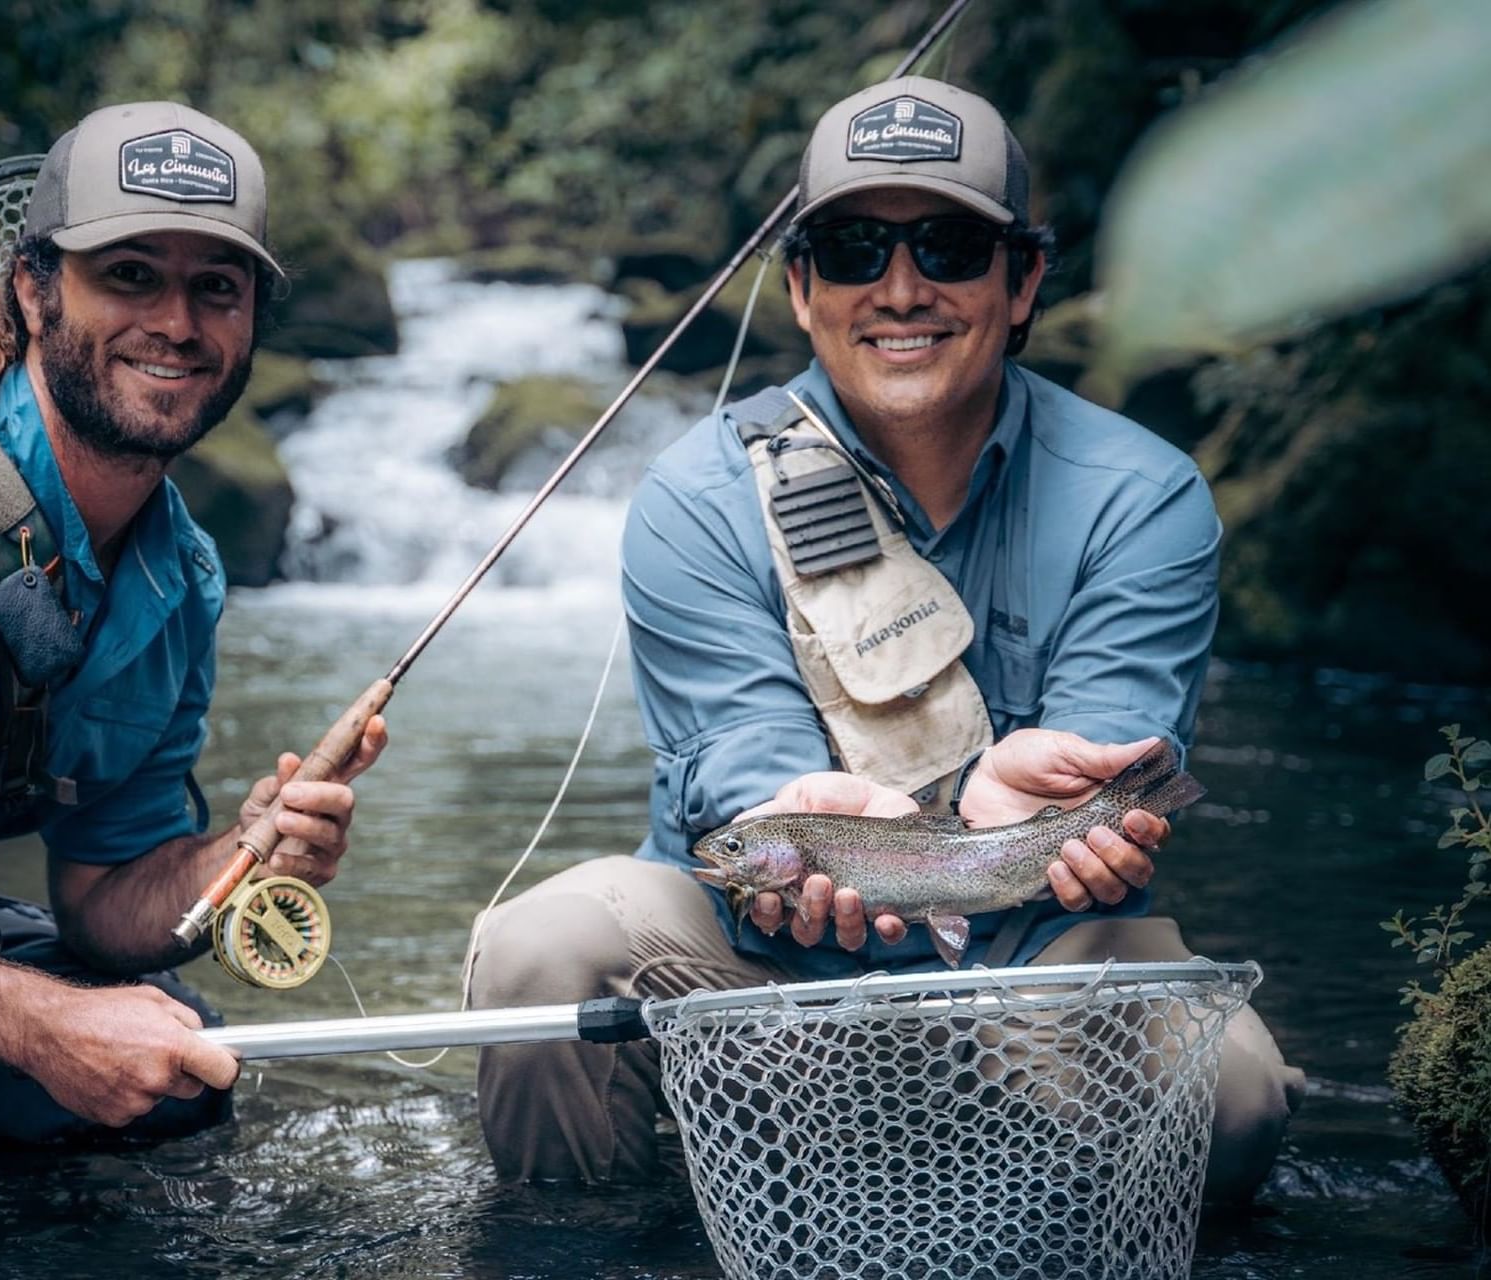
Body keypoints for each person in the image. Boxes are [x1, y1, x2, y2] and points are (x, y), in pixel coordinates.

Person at [468, 76, 1303, 1200]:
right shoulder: (699, 495)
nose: (901, 289)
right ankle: (593, 1245)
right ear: (803, 288)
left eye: (951, 247)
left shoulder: (1140, 496)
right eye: (856, 248)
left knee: (1232, 1100)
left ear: (1023, 281)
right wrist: (791, 812)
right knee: (538, 952)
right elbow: (740, 759)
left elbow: (1122, 758)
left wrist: (1054, 804)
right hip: (753, 968)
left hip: (1038, 956)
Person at [0, 102, 386, 1173]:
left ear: (252, 319)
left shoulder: (181, 571)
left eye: (217, 286)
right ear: (32, 286)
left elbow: (108, 893)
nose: (178, 324)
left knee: (171, 1070)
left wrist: (238, 858)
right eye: (132, 274)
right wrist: (33, 1022)